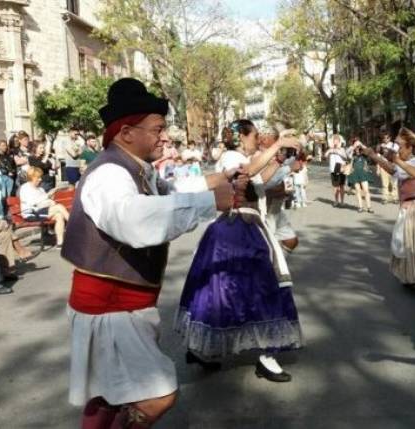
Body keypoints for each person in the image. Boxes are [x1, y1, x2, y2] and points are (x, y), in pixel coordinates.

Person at [62, 77, 237, 428]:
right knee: (157, 394)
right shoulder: (110, 173)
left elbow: (169, 194)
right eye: (157, 129)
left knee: (109, 397)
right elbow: (132, 220)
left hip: (122, 307)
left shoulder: (135, 169)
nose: (164, 136)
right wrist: (209, 201)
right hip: (110, 309)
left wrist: (219, 182)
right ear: (126, 132)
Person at [175, 119, 303, 383]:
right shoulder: (232, 157)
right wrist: (278, 144)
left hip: (246, 230)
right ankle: (258, 354)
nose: (258, 139)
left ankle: (213, 350)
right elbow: (248, 170)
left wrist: (279, 160)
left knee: (233, 291)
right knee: (250, 290)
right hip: (236, 231)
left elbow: (259, 181)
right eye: (255, 135)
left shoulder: (242, 158)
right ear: (243, 136)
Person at [365, 128, 415, 288]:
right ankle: (414, 275)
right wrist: (374, 156)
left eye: (400, 146)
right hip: (409, 208)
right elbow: (393, 170)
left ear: (410, 147)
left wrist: (396, 160)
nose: (397, 150)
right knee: (406, 244)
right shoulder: (406, 163)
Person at [18, 168, 69, 248]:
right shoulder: (25, 188)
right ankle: (75, 227)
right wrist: (48, 196)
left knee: (59, 215)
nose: (40, 179)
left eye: (40, 177)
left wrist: (50, 200)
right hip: (31, 213)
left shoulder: (40, 189)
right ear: (32, 177)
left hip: (41, 211)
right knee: (59, 207)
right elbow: (33, 203)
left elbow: (45, 201)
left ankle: (60, 243)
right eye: (38, 177)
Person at [347, 142, 374, 213]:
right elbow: (347, 154)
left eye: (358, 148)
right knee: (358, 191)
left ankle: (369, 207)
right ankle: (360, 207)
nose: (357, 149)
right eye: (356, 148)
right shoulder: (353, 155)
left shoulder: (364, 154)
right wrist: (353, 146)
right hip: (355, 174)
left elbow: (369, 150)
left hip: (363, 174)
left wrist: (361, 144)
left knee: (366, 190)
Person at [325, 134, 349, 207]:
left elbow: (345, 158)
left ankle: (342, 201)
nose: (335, 142)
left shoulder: (342, 149)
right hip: (333, 169)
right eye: (334, 141)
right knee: (335, 186)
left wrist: (338, 152)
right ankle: (336, 201)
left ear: (339, 142)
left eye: (336, 141)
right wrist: (329, 151)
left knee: (341, 186)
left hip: (341, 169)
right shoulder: (330, 149)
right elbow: (325, 156)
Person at [376, 132, 399, 204]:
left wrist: (385, 147)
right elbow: (378, 158)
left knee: (394, 184)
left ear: (390, 138)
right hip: (383, 165)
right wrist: (378, 168)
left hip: (393, 165)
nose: (385, 139)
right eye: (384, 138)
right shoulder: (380, 146)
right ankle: (385, 198)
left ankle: (395, 197)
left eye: (387, 138)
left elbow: (395, 152)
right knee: (384, 183)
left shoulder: (394, 145)